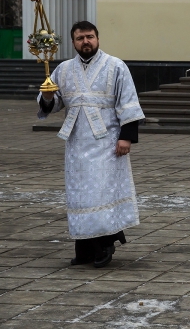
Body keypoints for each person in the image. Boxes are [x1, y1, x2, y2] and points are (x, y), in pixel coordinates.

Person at [37, 21, 145, 268]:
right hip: (76, 143)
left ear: (97, 38)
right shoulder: (63, 70)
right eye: (79, 38)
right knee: (80, 196)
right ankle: (84, 248)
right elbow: (52, 105)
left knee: (102, 193)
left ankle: (105, 245)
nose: (85, 42)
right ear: (74, 42)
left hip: (107, 142)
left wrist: (126, 136)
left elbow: (128, 102)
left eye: (89, 37)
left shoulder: (116, 66)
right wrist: (46, 97)